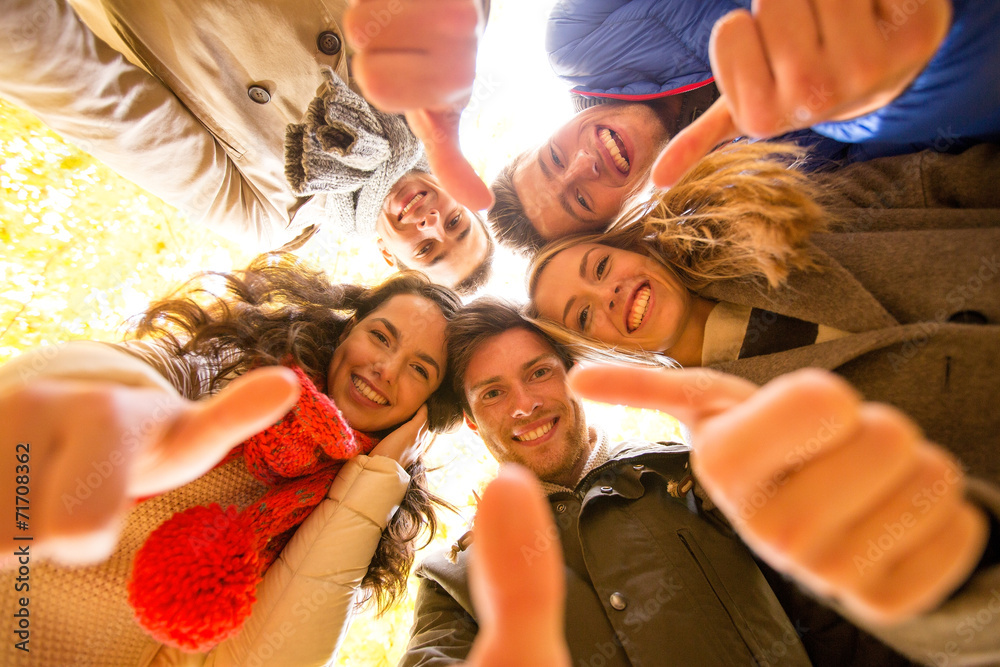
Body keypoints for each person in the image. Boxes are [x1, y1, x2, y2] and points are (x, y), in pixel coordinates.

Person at [400, 299, 1000, 666]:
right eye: (494, 394)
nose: (526, 405)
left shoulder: (707, 473)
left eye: (538, 373)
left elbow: (859, 622)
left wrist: (950, 578)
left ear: (574, 377)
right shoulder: (453, 580)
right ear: (477, 425)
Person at [0, 254, 465, 665]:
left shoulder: (365, 508)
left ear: (426, 412)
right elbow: (143, 372)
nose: (386, 368)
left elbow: (266, 657)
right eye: (381, 337)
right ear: (348, 330)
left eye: (419, 369)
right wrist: (104, 396)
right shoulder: (235, 369)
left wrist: (378, 479)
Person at [527, 142, 1000, 482]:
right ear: (598, 352)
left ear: (631, 248)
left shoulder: (766, 213)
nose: (607, 294)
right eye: (583, 317)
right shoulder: (732, 439)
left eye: (602, 266)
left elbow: (939, 180)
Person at [0, 0, 493, 292]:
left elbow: (117, 113)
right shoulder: (427, 91)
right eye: (456, 222)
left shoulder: (271, 214)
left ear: (390, 257)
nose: (432, 222)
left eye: (427, 249)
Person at [488, 0, 1000, 252]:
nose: (582, 164)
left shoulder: (579, 39)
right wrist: (874, 102)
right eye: (579, 199)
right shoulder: (754, 190)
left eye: (553, 158)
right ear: (617, 224)